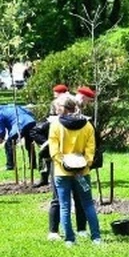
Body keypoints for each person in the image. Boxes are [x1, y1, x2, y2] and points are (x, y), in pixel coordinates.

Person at [48, 94, 101, 247]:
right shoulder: (87, 125)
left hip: (62, 172)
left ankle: (70, 239)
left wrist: (64, 164)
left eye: (57, 107)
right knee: (88, 204)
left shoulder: (56, 125)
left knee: (65, 206)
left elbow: (54, 151)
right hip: (82, 171)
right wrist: (86, 163)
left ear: (62, 108)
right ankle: (96, 237)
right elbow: (91, 148)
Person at [0, 103, 37, 170]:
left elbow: (1, 130)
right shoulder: (11, 106)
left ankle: (10, 165)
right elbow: (28, 112)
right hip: (31, 121)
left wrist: (1, 137)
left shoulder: (0, 112)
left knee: (9, 144)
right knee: (29, 145)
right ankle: (33, 165)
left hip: (20, 124)